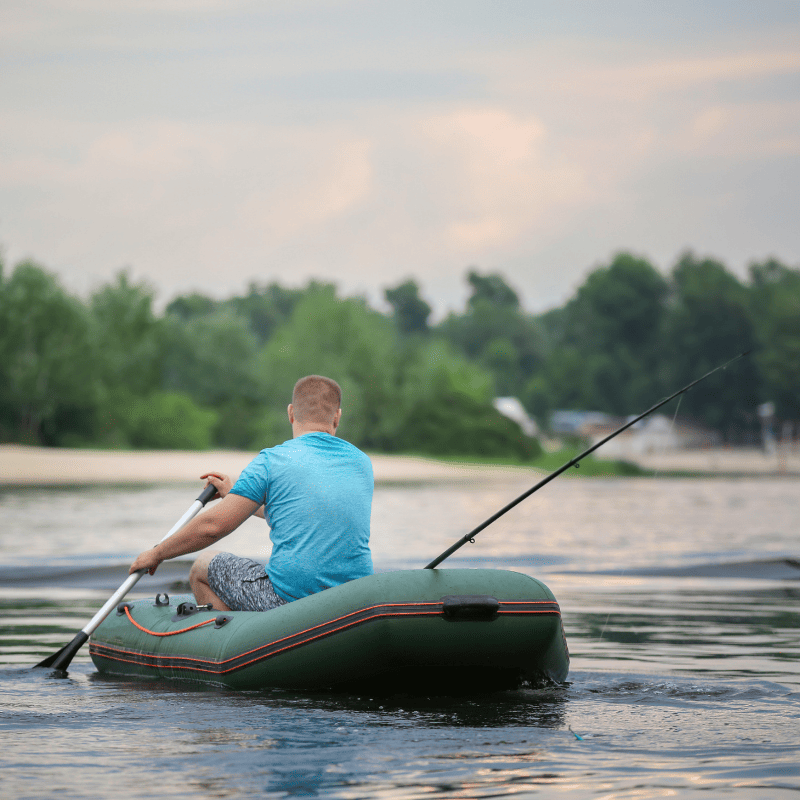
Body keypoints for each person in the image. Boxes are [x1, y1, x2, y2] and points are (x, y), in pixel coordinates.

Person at [129, 375, 374, 611]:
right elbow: (298, 513)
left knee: (202, 566)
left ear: (290, 413)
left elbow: (213, 527)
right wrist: (234, 494)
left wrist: (157, 553)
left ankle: (233, 644)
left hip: (290, 600)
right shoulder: (362, 463)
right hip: (352, 600)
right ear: (337, 417)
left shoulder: (272, 460)